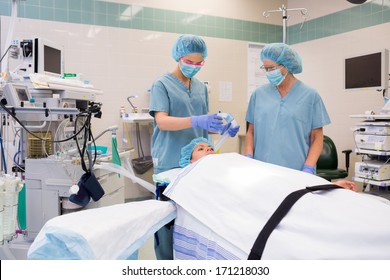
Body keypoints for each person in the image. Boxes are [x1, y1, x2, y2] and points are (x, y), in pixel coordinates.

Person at [149, 34, 240, 260]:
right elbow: (162, 121)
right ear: (178, 57)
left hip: (198, 165)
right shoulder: (162, 84)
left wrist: (221, 129)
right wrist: (197, 120)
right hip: (170, 161)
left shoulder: (200, 87)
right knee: (167, 224)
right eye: (189, 62)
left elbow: (203, 126)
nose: (194, 67)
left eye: (199, 63)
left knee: (192, 222)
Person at [245, 43, 330, 175]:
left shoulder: (310, 96)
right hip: (261, 169)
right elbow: (251, 132)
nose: (268, 73)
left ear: (287, 66)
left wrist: (308, 167)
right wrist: (249, 156)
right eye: (265, 68)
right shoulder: (258, 94)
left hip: (296, 171)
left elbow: (317, 137)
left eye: (272, 68)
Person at [180, 137, 357, 191]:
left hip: (254, 177)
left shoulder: (227, 160)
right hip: (245, 189)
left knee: (282, 178)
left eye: (209, 146)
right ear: (191, 161)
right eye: (201, 149)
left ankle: (327, 186)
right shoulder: (196, 175)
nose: (209, 148)